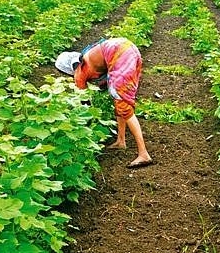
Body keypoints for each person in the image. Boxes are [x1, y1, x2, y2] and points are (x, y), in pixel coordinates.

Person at [55, 37, 153, 168]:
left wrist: (85, 124)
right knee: (118, 99)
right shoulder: (87, 59)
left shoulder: (79, 73)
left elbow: (85, 105)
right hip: (128, 48)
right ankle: (121, 140)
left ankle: (143, 154)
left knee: (124, 106)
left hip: (120, 53)